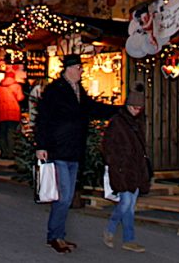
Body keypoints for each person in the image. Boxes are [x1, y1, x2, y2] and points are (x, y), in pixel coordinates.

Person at [34, 54, 117, 255]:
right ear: (69, 69)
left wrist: (119, 110)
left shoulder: (78, 90)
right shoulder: (55, 90)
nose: (82, 71)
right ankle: (54, 236)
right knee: (63, 196)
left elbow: (93, 109)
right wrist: (41, 145)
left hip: (74, 150)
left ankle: (58, 234)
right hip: (59, 149)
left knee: (68, 195)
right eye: (79, 68)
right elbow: (43, 118)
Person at [100, 86, 150, 253]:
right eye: (134, 108)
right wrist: (116, 164)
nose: (137, 111)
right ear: (128, 105)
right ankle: (113, 229)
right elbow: (108, 147)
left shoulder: (137, 121)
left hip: (135, 168)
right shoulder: (117, 123)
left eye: (139, 108)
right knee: (127, 203)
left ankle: (127, 238)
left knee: (130, 205)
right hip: (123, 168)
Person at [0, 64, 25, 159]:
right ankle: (11, 153)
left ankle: (4, 152)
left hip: (1, 113)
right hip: (13, 113)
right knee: (11, 133)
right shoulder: (16, 86)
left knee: (2, 133)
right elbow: (20, 98)